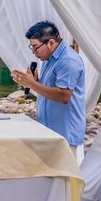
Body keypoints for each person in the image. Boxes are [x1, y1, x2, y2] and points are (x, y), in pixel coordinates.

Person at [10, 21, 85, 165]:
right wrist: (33, 81)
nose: (33, 52)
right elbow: (47, 89)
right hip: (49, 130)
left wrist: (32, 84)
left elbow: (64, 95)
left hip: (65, 133)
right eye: (31, 47)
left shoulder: (68, 60)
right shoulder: (48, 59)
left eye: (36, 47)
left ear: (50, 42)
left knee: (68, 183)